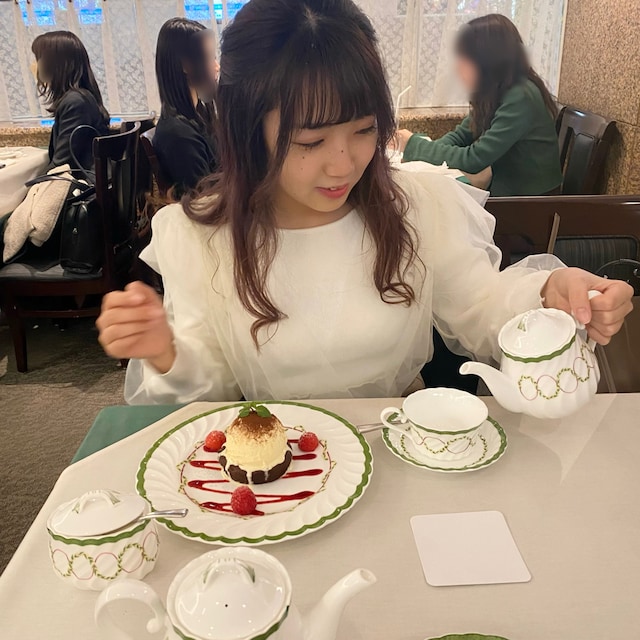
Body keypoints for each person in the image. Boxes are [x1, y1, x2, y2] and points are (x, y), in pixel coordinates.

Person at [96, 0, 633, 404]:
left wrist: (547, 293)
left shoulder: (416, 205)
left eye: (363, 130)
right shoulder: (204, 237)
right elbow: (209, 389)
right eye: (310, 142)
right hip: (276, 469)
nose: (344, 165)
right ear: (247, 130)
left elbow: (480, 306)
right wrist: (166, 351)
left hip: (401, 450)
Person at [396, 14, 563, 197]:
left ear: (488, 60)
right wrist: (421, 151)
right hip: (510, 195)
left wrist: (414, 145)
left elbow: (474, 159)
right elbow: (461, 136)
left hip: (532, 204)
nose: (458, 66)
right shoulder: (497, 90)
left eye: (466, 58)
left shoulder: (521, 96)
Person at [153, 17, 219, 198]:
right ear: (186, 65)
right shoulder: (178, 134)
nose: (217, 66)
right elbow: (205, 199)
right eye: (208, 57)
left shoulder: (199, 116)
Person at [32, 31, 110, 172]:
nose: (35, 65)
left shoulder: (75, 102)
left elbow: (62, 164)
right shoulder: (80, 97)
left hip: (84, 183)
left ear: (54, 63)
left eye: (38, 59)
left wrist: (34, 183)